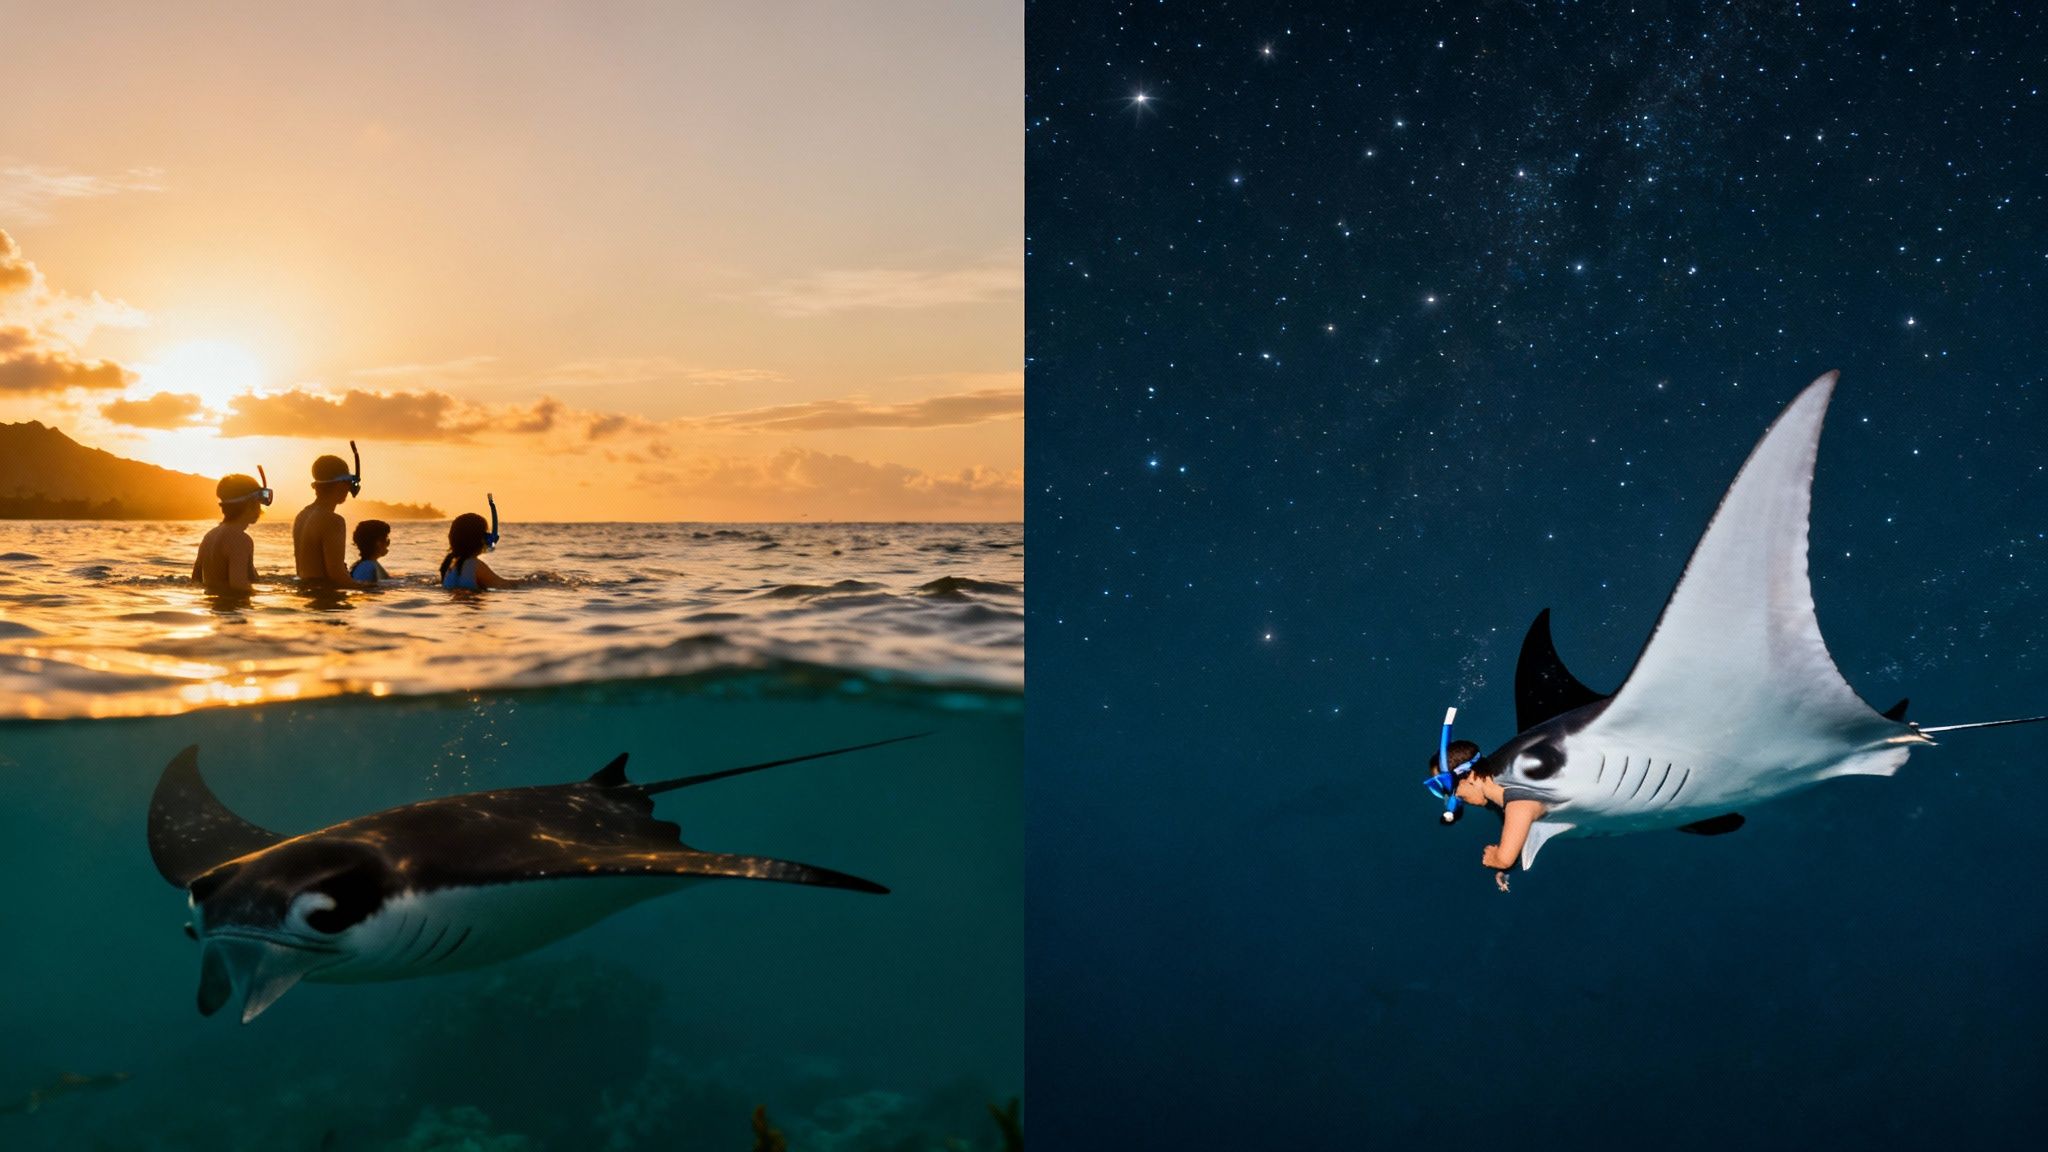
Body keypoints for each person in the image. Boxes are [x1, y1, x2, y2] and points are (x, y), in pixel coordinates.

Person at [1429, 739, 1547, 892]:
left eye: (1446, 786)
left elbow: (1525, 805)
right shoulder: (1498, 802)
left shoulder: (1517, 801)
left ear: (1470, 775)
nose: (1452, 797)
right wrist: (1507, 862)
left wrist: (1500, 859)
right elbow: (1522, 834)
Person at [293, 453, 364, 585]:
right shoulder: (333, 520)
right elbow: (337, 576)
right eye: (349, 482)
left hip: (306, 595)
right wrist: (371, 589)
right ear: (341, 484)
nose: (349, 488)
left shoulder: (302, 516)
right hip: (326, 600)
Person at [192, 473, 268, 592]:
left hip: (214, 607)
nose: (260, 508)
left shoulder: (209, 536)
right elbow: (238, 585)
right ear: (250, 505)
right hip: (233, 607)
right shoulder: (240, 540)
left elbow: (195, 580)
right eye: (259, 502)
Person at [439, 511, 513, 590]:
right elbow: (504, 585)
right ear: (481, 539)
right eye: (486, 534)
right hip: (471, 600)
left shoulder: (449, 565)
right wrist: (526, 581)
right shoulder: (475, 565)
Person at [350, 519, 392, 584]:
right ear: (378, 542)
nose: (388, 542)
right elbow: (364, 590)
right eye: (387, 539)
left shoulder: (371, 564)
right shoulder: (367, 566)